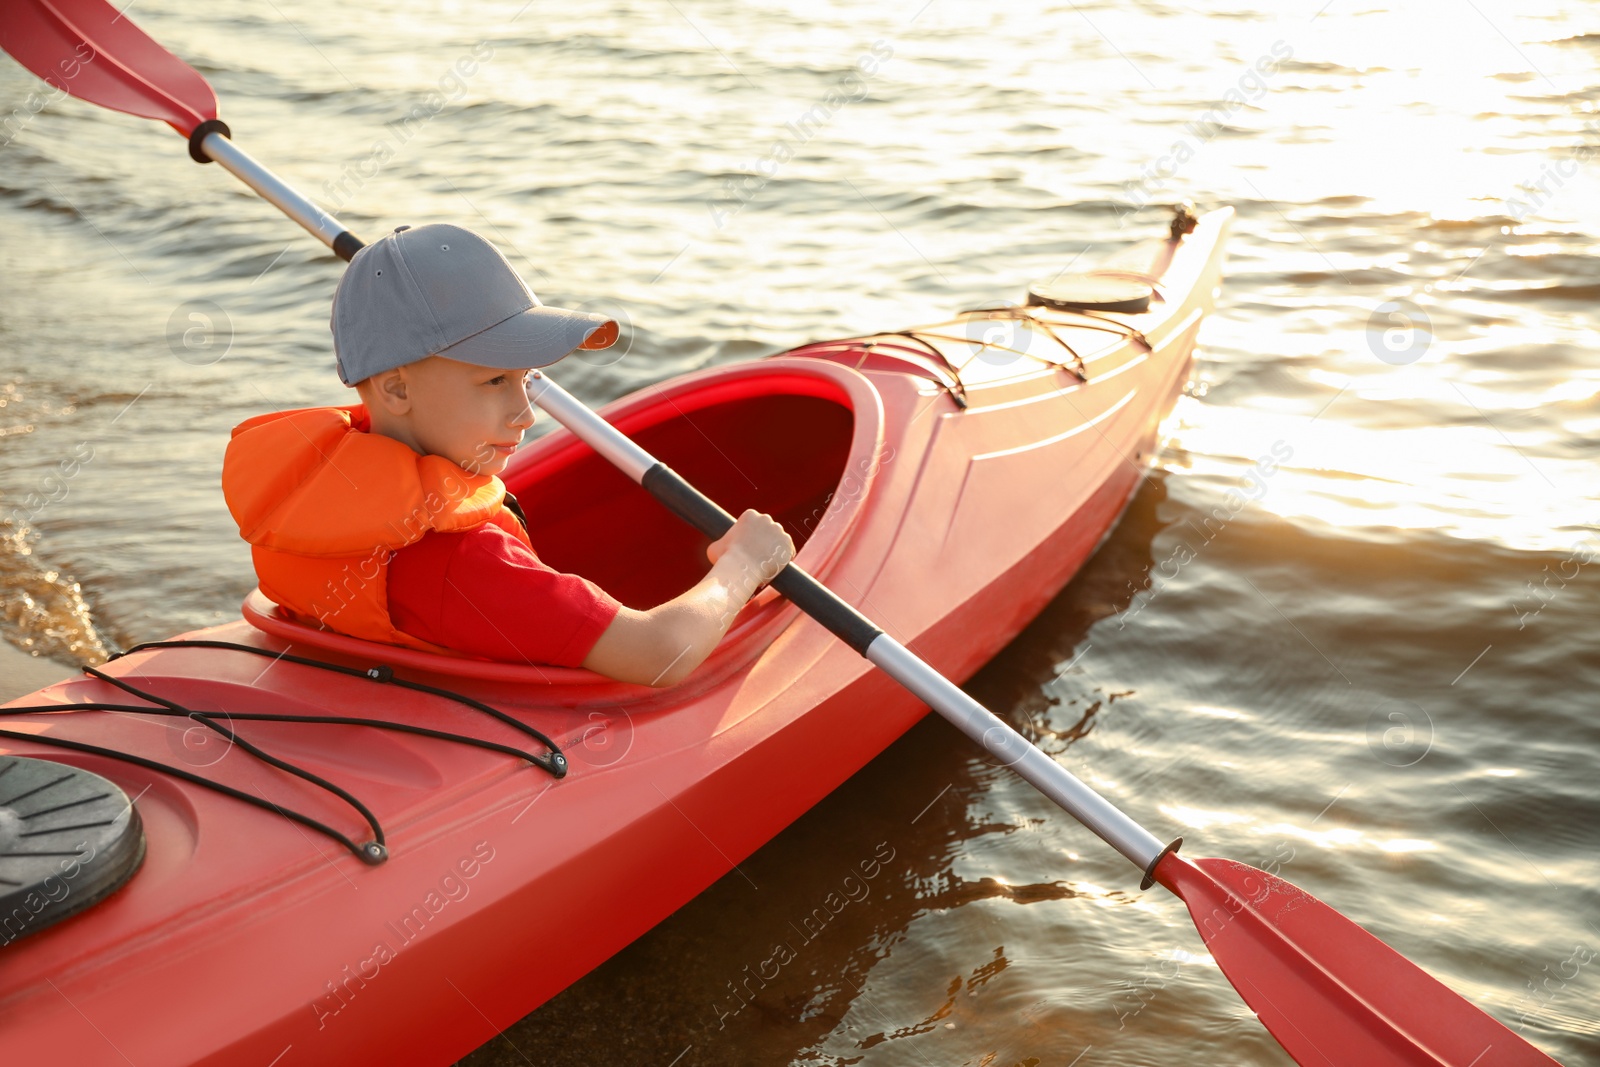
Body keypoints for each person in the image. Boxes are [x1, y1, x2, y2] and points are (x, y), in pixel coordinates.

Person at [221, 222, 794, 687]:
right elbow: (660, 655)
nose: (526, 412)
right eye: (495, 381)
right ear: (396, 389)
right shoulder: (463, 563)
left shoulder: (325, 486)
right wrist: (745, 564)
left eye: (528, 378)